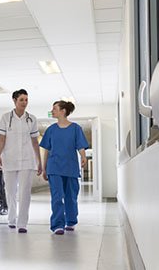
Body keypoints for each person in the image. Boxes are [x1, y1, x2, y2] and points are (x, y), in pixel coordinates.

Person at [0, 89, 43, 233]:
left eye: (26, 100)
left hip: (27, 160)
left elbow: (35, 141)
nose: (24, 102)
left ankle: (22, 223)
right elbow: (2, 139)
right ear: (14, 101)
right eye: (22, 99)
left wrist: (39, 161)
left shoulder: (32, 119)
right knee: (9, 191)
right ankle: (11, 218)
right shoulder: (5, 118)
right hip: (9, 159)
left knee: (25, 192)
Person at [39, 100, 89, 235]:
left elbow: (80, 145)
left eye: (54, 108)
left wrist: (83, 157)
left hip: (70, 167)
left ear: (63, 111)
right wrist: (44, 168)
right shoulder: (51, 130)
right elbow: (46, 151)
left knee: (71, 196)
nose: (52, 111)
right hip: (54, 167)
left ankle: (71, 221)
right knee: (57, 196)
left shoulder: (75, 128)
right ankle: (57, 225)